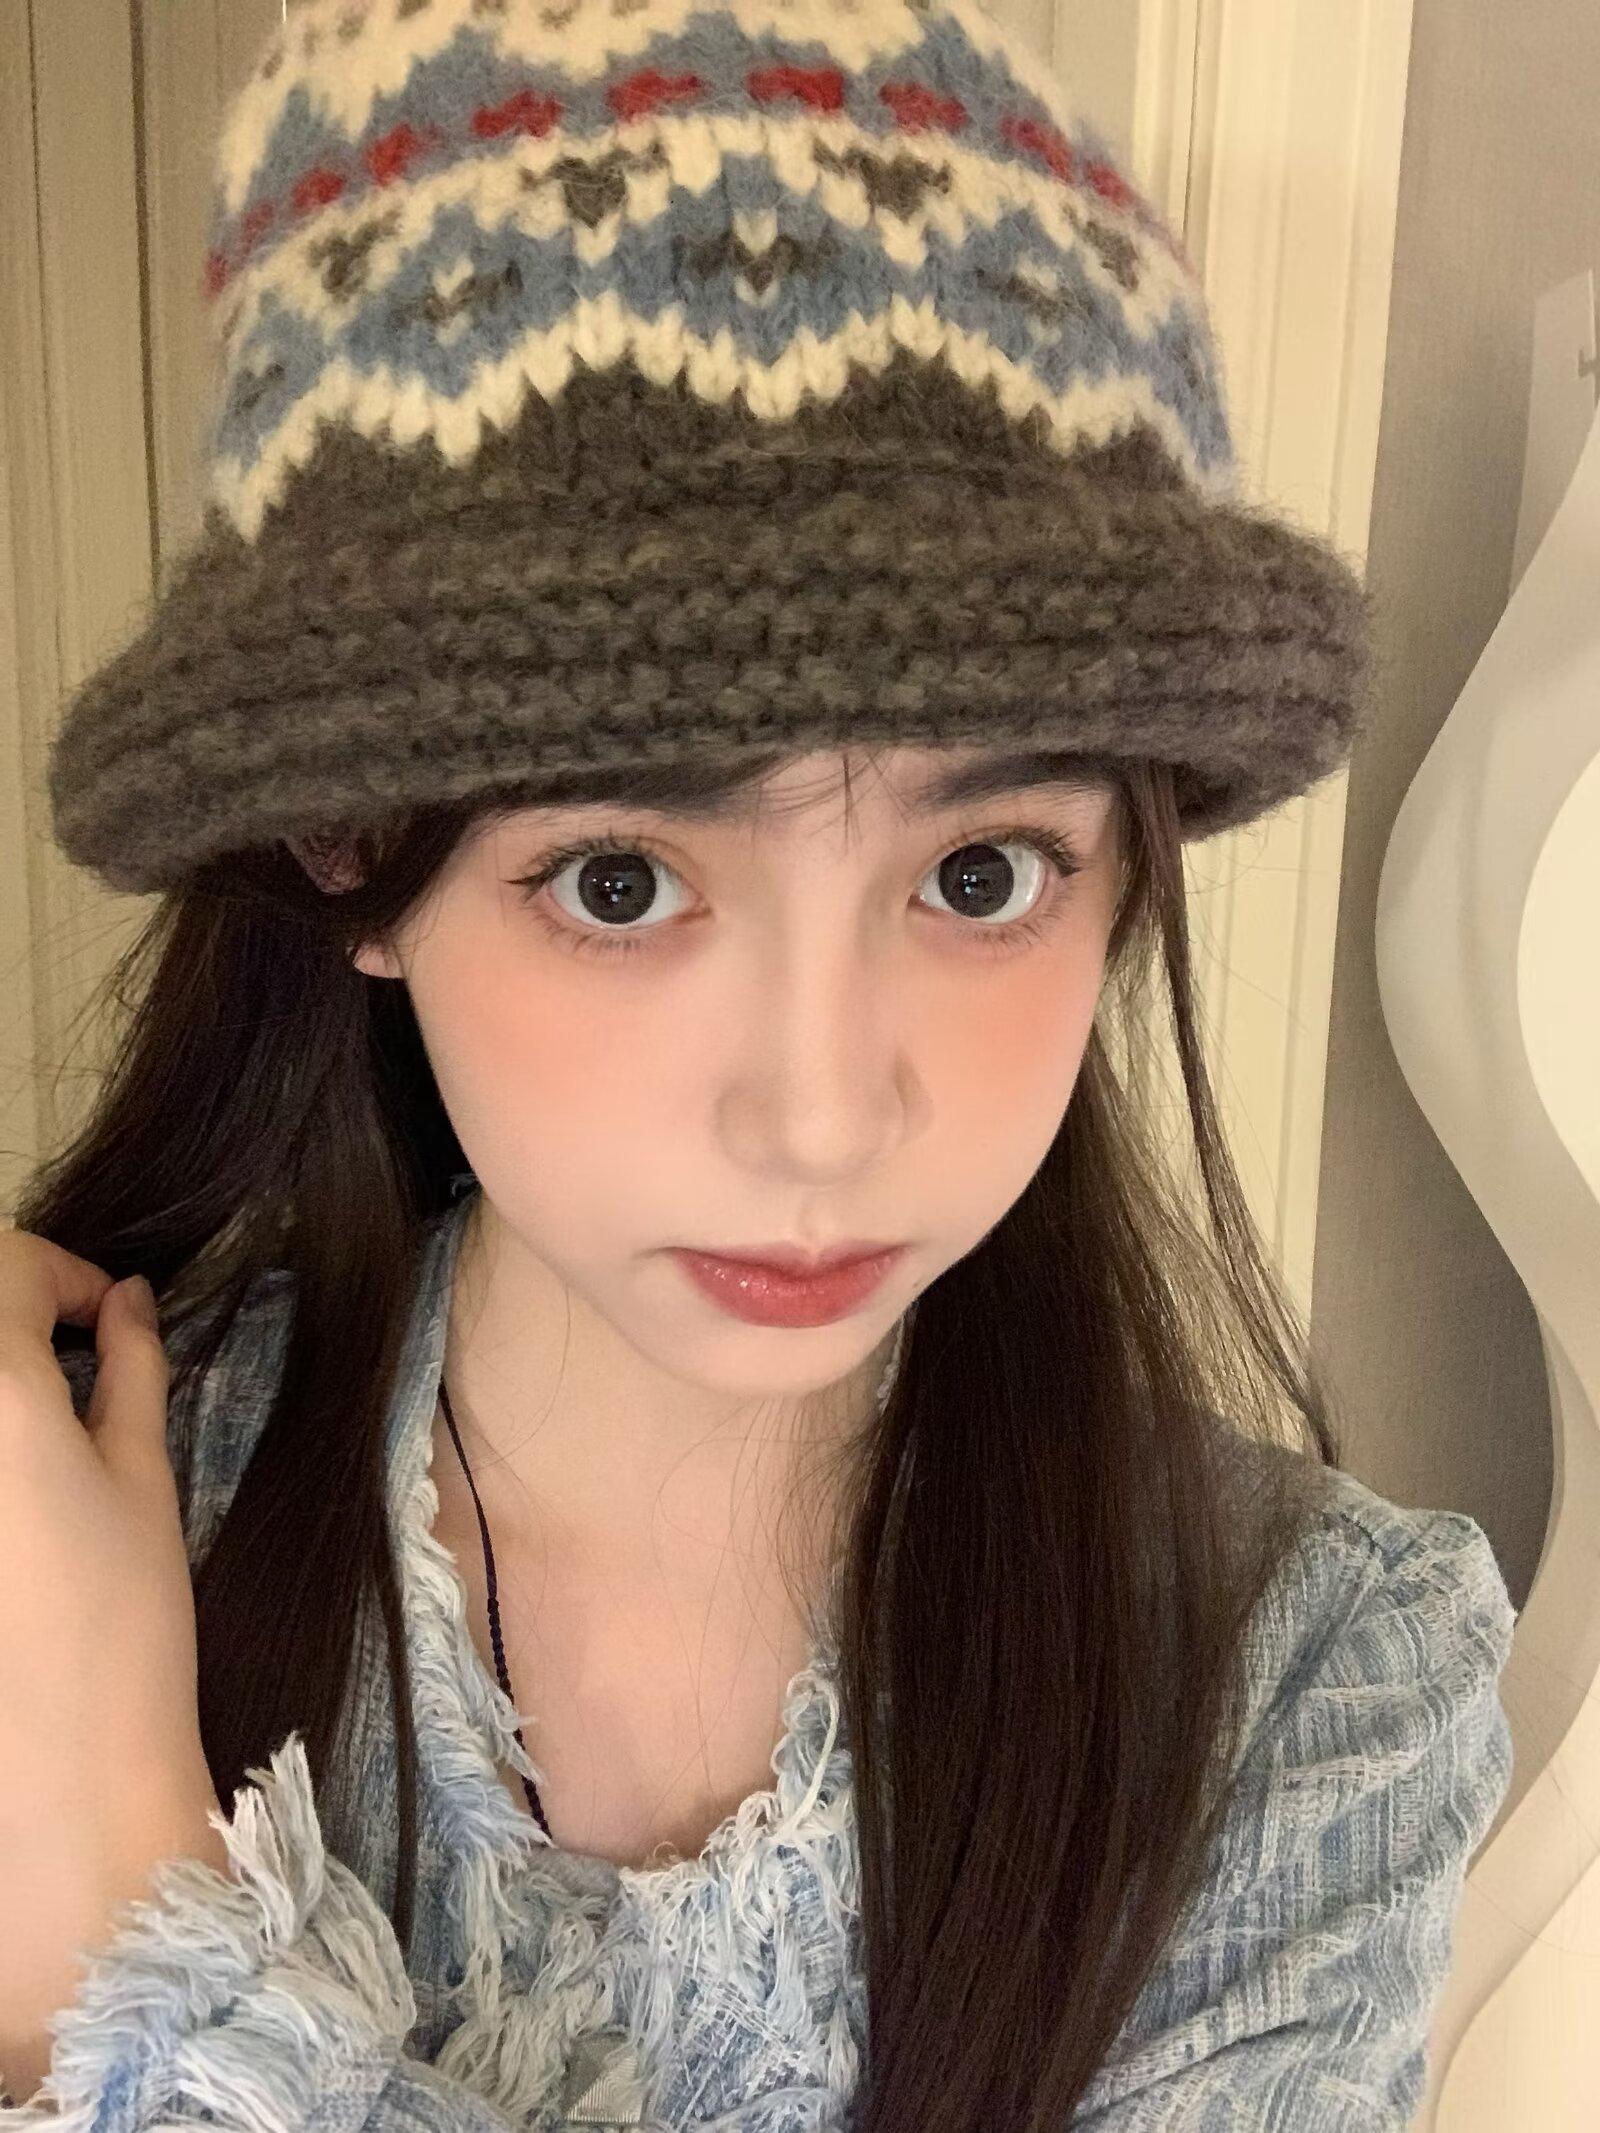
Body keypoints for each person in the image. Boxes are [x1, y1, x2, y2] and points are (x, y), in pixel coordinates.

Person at [0, 0, 1515, 2125]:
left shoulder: (1302, 1680)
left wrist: (132, 1956)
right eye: (622, 880)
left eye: (981, 869)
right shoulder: (63, 1539)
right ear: (353, 846)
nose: (821, 1114)